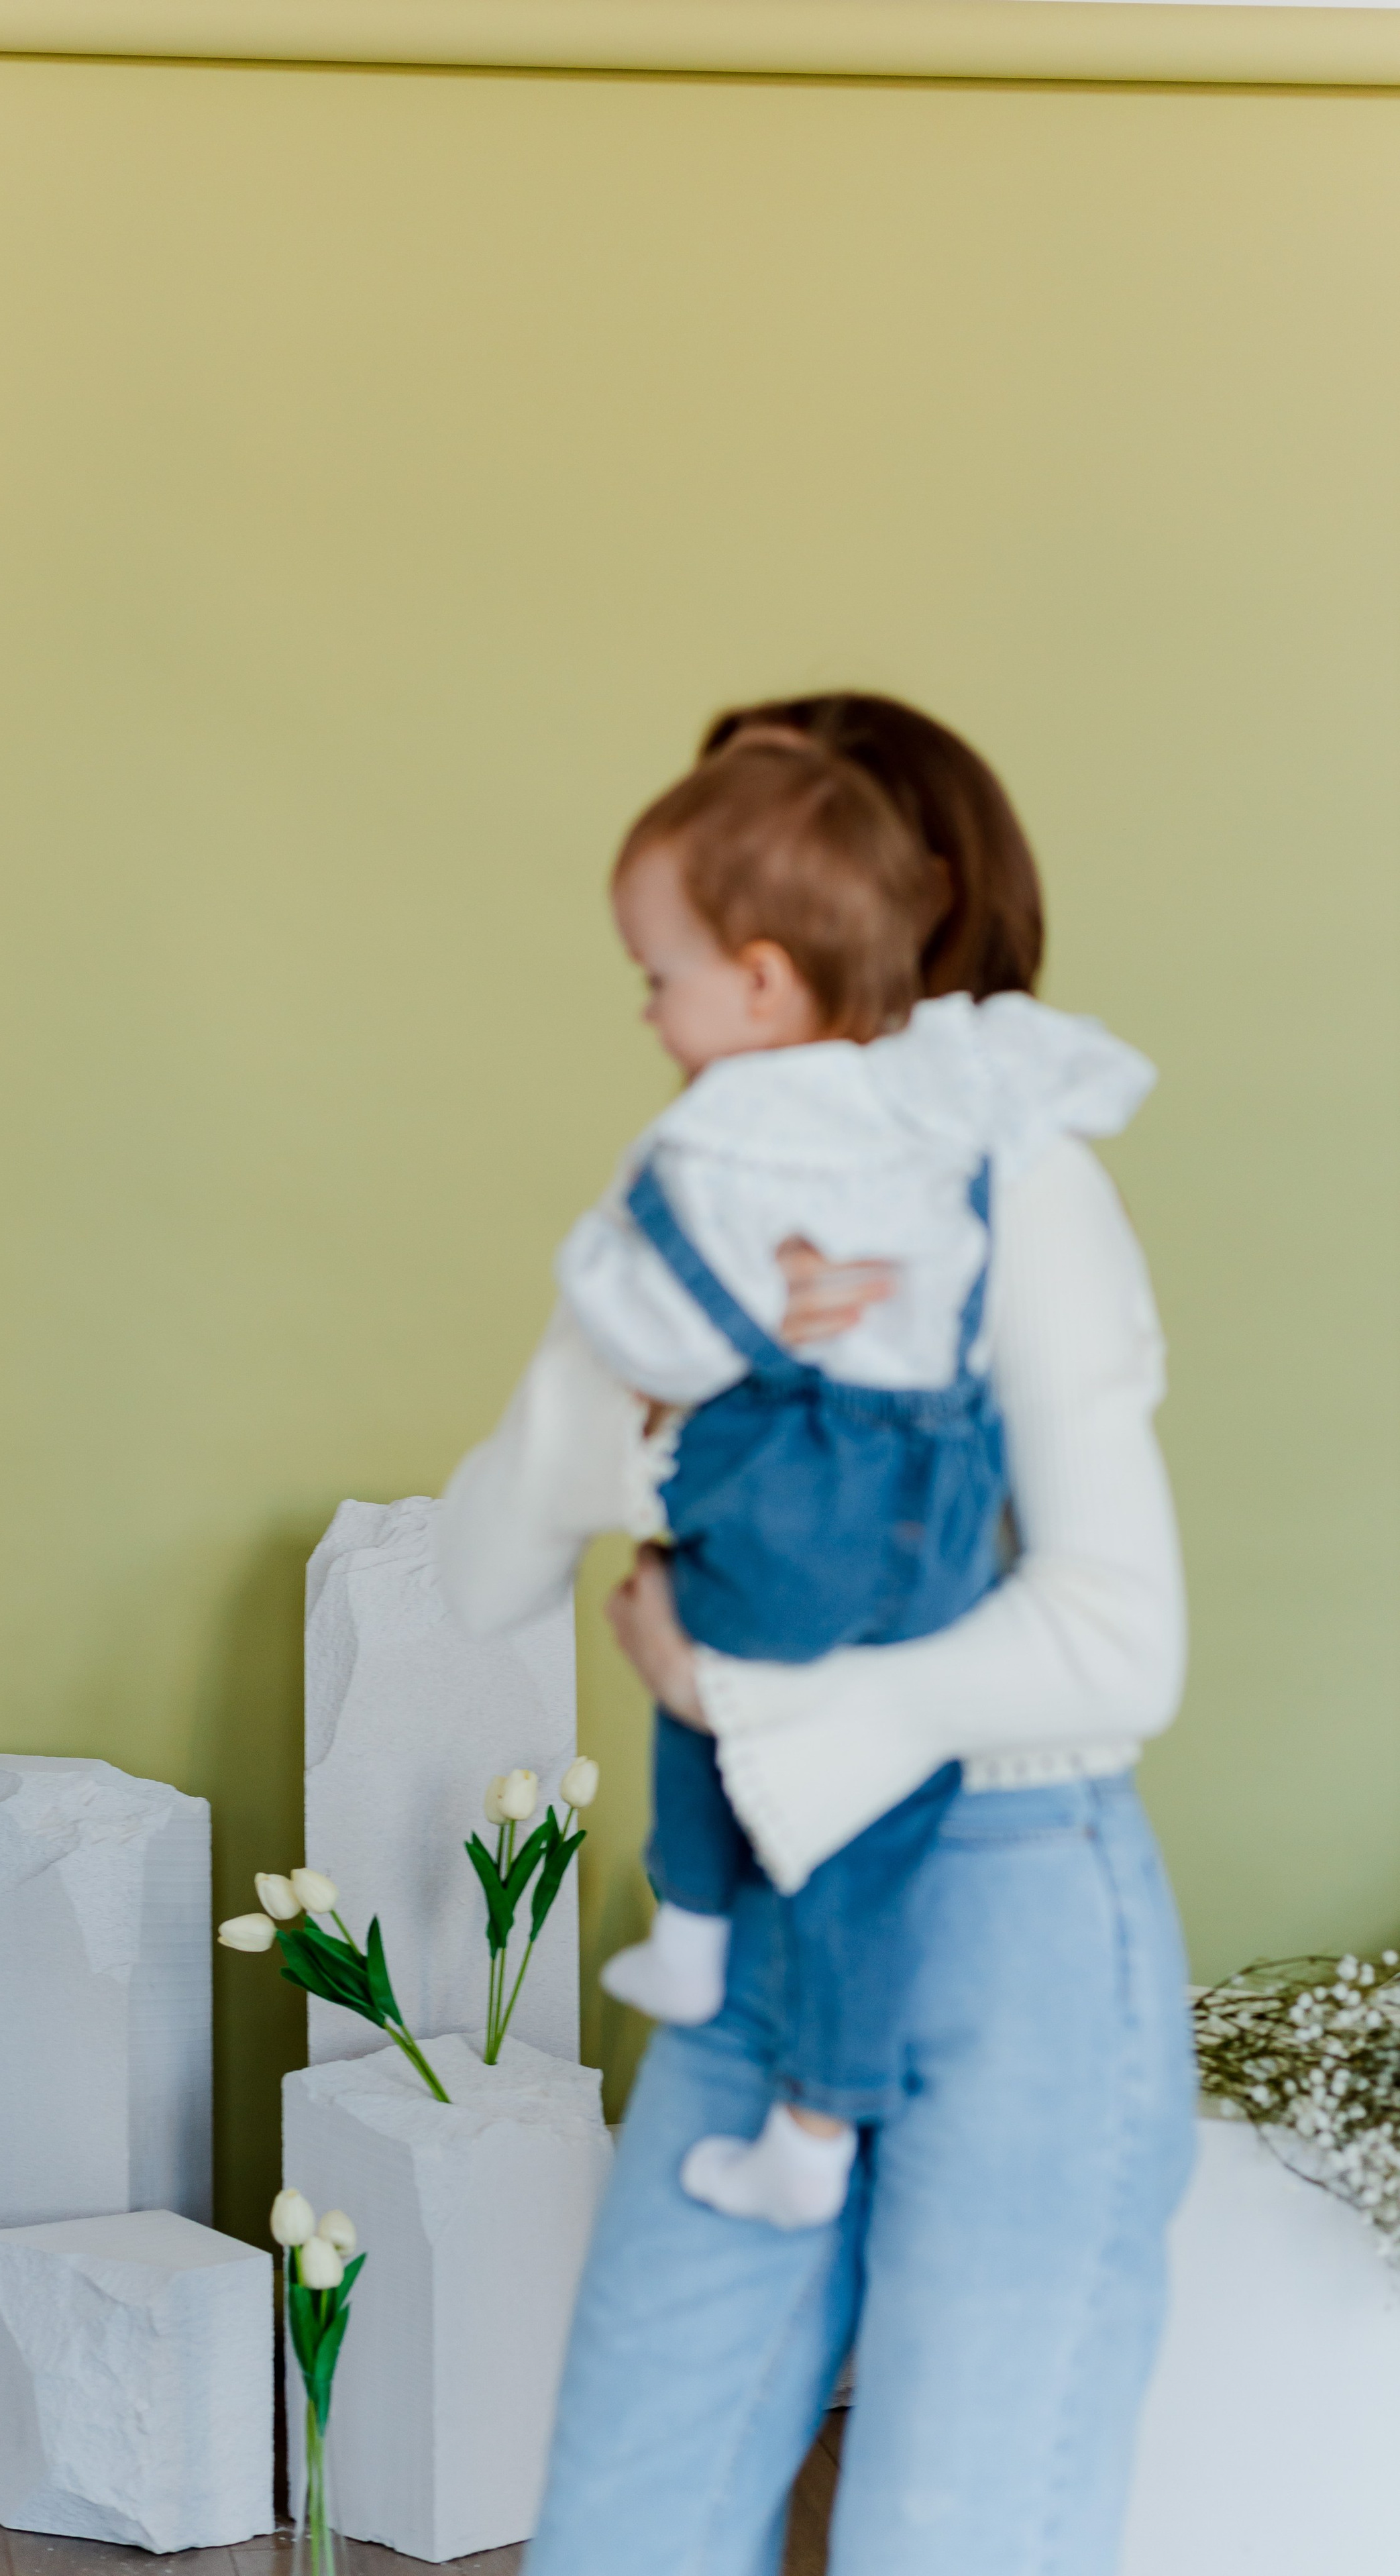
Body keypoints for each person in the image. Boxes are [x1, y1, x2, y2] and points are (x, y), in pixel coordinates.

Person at [437, 693, 1196, 2576]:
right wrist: (637, 1317)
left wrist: (742, 1699)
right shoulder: (682, 1217)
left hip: (1018, 1935)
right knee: (622, 2531)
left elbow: (1118, 1646)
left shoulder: (1026, 1189)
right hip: (758, 1943)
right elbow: (483, 1574)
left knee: (958, 2544)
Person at [519, 728, 1154, 2232]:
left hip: (980, 1826)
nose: (650, 1010)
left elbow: (1121, 1643)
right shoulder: (760, 1154)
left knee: (953, 2448)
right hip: (763, 1826)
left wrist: (710, 1685)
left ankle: (779, 2072)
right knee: (641, 2436)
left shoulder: (1003, 1170)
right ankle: (722, 1988)